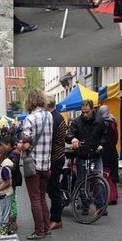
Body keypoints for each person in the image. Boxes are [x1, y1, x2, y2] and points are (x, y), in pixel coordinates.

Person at [19, 89, 53, 240]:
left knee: (35, 199)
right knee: (42, 197)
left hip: (33, 165)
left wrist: (19, 146)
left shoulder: (30, 118)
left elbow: (26, 145)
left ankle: (39, 231)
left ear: (30, 101)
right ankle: (46, 227)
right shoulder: (49, 116)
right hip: (46, 164)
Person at [68, 99, 106, 219]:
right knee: (81, 182)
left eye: (87, 112)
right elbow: (69, 133)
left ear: (92, 109)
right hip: (82, 154)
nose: (84, 114)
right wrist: (72, 139)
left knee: (99, 181)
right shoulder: (76, 122)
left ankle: (100, 206)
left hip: (96, 154)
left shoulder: (100, 120)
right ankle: (85, 205)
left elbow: (105, 135)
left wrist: (101, 144)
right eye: (83, 112)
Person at [46, 96, 67, 231]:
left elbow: (51, 140)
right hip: (58, 156)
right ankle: (55, 214)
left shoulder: (53, 118)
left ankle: (56, 219)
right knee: (52, 187)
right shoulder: (58, 116)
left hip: (55, 158)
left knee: (53, 189)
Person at [98, 104, 120, 205]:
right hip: (112, 150)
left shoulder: (99, 122)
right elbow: (116, 137)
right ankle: (113, 196)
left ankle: (106, 196)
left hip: (103, 151)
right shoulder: (113, 122)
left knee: (104, 173)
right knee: (112, 173)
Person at [0, 147, 14, 236]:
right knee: (6, 211)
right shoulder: (2, 166)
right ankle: (8, 229)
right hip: (4, 193)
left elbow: (8, 182)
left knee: (4, 212)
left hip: (5, 193)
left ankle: (4, 231)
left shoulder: (4, 168)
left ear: (0, 155)